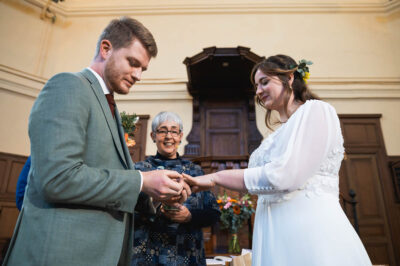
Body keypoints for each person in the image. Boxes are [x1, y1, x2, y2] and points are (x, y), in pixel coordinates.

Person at [3, 17, 191, 266]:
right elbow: (57, 178)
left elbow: (105, 181)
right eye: (133, 63)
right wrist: (141, 180)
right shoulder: (68, 86)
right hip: (61, 254)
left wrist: (156, 195)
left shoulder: (108, 105)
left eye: (143, 69)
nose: (138, 76)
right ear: (106, 49)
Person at [185, 55, 372, 265]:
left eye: (264, 82)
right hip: (273, 234)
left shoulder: (316, 111)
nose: (258, 91)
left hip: (308, 231)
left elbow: (284, 176)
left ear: (289, 78)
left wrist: (215, 178)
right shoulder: (274, 136)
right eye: (256, 85)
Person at [131, 111, 220, 266]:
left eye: (173, 131)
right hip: (147, 257)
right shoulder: (140, 170)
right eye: (162, 131)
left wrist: (190, 216)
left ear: (180, 136)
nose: (168, 136)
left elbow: (214, 214)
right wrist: (154, 204)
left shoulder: (195, 171)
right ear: (153, 135)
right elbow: (128, 210)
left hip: (188, 255)